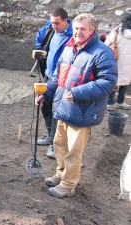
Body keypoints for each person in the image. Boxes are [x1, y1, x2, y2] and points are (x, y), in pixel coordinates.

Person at [36, 13, 117, 198]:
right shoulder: (69, 48)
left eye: (83, 29)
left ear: (92, 30)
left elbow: (108, 82)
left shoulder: (102, 53)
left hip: (82, 112)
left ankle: (68, 185)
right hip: (63, 106)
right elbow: (58, 76)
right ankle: (61, 173)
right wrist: (46, 93)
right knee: (59, 144)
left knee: (73, 151)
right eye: (77, 28)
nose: (78, 32)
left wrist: (79, 92)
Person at [35, 8, 73, 158]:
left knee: (57, 110)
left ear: (65, 21)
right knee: (45, 106)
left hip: (63, 79)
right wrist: (39, 50)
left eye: (57, 23)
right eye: (52, 23)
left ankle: (54, 144)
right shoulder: (50, 30)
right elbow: (40, 36)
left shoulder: (72, 36)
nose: (54, 26)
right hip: (49, 75)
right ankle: (50, 135)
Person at [105, 13, 131, 110]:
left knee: (113, 80)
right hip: (128, 62)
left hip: (115, 60)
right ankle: (120, 101)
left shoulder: (116, 32)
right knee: (125, 80)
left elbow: (106, 45)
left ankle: (110, 102)